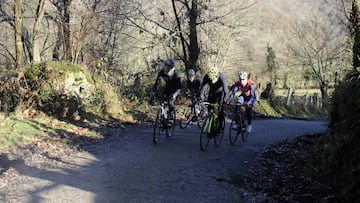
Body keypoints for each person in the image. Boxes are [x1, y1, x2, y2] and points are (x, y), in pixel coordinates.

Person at [150, 58, 181, 125]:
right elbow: (156, 83)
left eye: (168, 68)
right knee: (161, 102)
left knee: (170, 102)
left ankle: (171, 118)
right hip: (166, 89)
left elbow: (178, 88)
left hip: (174, 90)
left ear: (172, 68)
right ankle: (163, 118)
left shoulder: (176, 74)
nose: (166, 69)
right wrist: (153, 92)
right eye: (165, 67)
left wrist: (174, 95)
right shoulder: (161, 72)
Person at [199, 66, 228, 132]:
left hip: (221, 92)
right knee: (210, 107)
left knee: (220, 109)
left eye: (214, 79)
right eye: (211, 79)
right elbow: (202, 87)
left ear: (217, 76)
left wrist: (225, 98)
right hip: (212, 92)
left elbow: (226, 90)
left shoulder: (221, 76)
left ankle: (220, 125)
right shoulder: (207, 76)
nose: (212, 81)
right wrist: (201, 95)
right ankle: (211, 124)